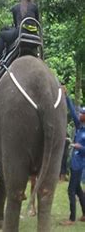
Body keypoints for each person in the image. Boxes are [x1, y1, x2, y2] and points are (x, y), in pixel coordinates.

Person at [61, 90, 85, 226]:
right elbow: (72, 111)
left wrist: (78, 146)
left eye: (82, 113)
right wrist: (66, 97)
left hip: (79, 164)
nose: (80, 114)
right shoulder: (79, 126)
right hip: (74, 163)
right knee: (78, 190)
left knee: (71, 190)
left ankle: (71, 218)